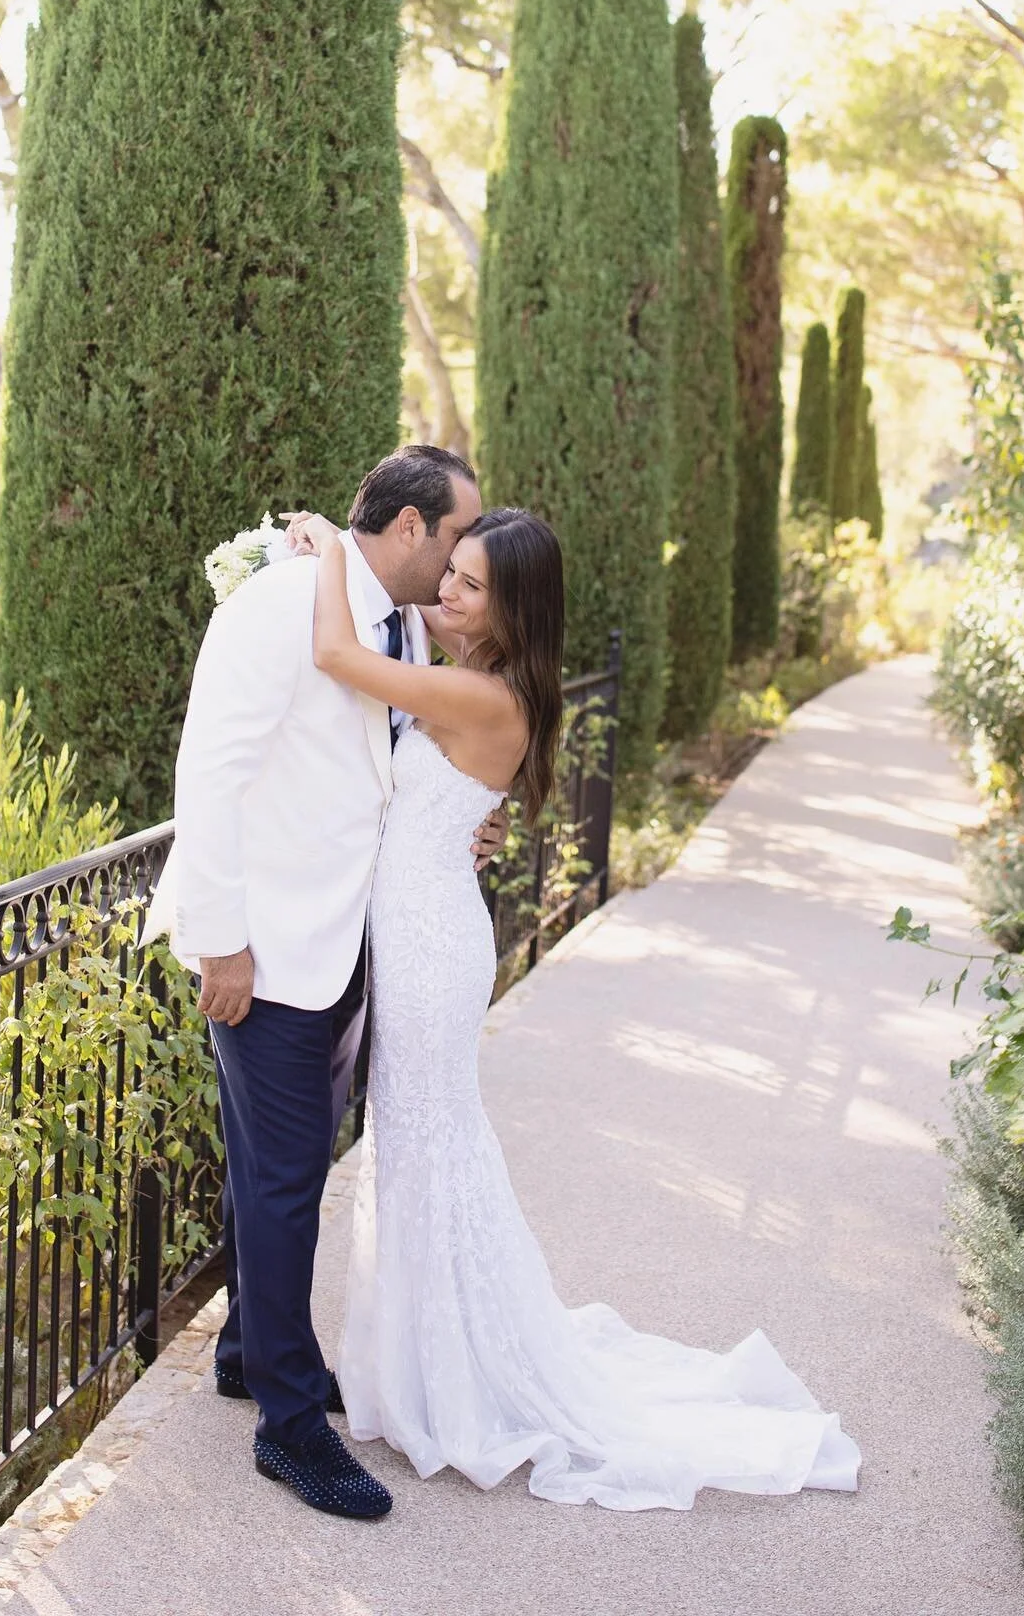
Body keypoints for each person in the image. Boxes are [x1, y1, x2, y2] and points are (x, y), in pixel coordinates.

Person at [288, 504, 861, 1511]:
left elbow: (338, 651)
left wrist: (331, 542)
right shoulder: (483, 678)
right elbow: (405, 637)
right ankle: (424, 1361)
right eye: (450, 571)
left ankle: (455, 1378)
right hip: (425, 930)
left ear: (513, 610)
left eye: (470, 584)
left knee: (425, 1145)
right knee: (415, 1145)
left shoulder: (482, 696)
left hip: (429, 950)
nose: (445, 591)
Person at [144, 446, 509, 1522]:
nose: (464, 561)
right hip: (267, 952)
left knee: (271, 1168)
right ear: (410, 527)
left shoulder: (395, 621)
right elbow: (211, 774)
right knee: (287, 1183)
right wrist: (221, 944)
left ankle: (250, 1352)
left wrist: (462, 822)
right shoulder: (281, 605)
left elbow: (388, 758)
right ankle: (291, 1427)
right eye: (458, 536)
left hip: (345, 947)